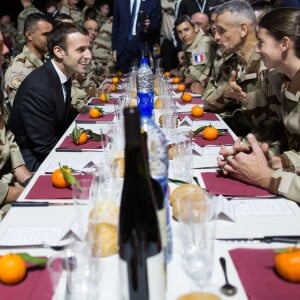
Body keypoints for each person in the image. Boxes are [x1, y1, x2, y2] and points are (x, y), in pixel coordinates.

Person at [218, 8, 300, 202]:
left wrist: (267, 178)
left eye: (262, 43)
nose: (257, 49)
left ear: (284, 44)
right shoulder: (284, 80)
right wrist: (267, 159)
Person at [7, 23, 92, 171]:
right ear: (59, 52)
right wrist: (87, 161)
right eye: (80, 50)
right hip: (32, 162)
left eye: (88, 48)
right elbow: (44, 147)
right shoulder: (38, 89)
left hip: (52, 148)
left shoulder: (62, 74)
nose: (89, 56)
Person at [203, 0, 283, 145]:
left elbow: (277, 126)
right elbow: (207, 101)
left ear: (243, 30)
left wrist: (243, 146)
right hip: (239, 137)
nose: (216, 37)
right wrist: (225, 93)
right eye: (215, 31)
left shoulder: (270, 65)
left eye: (221, 30)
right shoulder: (232, 63)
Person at [0, 30, 32, 210]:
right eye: (0, 44)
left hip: (13, 186)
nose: (6, 49)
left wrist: (28, 180)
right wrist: (25, 193)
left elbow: (8, 140)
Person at [5, 13, 53, 107]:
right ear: (29, 35)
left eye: (51, 34)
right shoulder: (18, 69)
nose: (50, 38)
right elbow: (23, 109)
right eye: (45, 34)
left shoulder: (47, 60)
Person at [112, 0, 161, 73]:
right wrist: (114, 48)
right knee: (123, 80)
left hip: (143, 46)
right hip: (123, 48)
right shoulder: (119, 1)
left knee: (144, 79)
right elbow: (115, 25)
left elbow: (156, 27)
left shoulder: (153, 2)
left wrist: (148, 27)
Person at [172, 15, 216, 94]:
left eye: (186, 30)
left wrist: (181, 72)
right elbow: (186, 68)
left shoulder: (203, 45)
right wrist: (184, 70)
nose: (183, 35)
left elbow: (193, 75)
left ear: (195, 28)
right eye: (180, 32)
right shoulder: (190, 42)